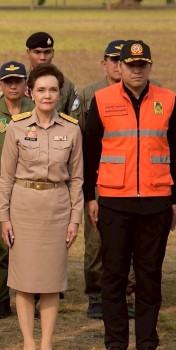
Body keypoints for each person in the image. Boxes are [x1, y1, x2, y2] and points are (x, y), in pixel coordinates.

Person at [83, 40, 176, 350]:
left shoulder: (167, 99)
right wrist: (90, 197)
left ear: (150, 66)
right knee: (113, 276)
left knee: (149, 276)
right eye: (130, 65)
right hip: (114, 201)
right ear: (120, 67)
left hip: (156, 202)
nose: (136, 70)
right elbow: (90, 151)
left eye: (142, 65)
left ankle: (147, 344)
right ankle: (115, 345)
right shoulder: (102, 99)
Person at [0, 64, 83, 350]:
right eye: (42, 90)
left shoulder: (72, 130)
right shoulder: (17, 128)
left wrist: (74, 219)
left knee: (51, 280)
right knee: (24, 280)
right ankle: (29, 344)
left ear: (60, 93)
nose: (48, 95)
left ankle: (47, 343)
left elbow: (77, 179)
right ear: (30, 92)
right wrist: (4, 217)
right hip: (23, 208)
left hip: (57, 209)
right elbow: (6, 177)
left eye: (53, 90)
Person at [72, 41, 136, 320]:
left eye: (123, 60)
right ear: (104, 64)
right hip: (98, 178)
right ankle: (96, 295)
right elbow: (78, 138)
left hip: (132, 180)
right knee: (96, 240)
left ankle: (128, 295)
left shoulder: (144, 92)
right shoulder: (89, 94)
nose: (118, 65)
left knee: (129, 241)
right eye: (113, 60)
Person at [0, 61, 35, 319]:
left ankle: (32, 298)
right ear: (0, 85)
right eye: (8, 81)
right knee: (1, 246)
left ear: (26, 84)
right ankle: (1, 300)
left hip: (28, 186)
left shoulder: (36, 110)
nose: (13, 86)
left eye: (18, 81)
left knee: (30, 247)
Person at [25, 33, 78, 115]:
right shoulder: (17, 84)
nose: (42, 57)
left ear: (53, 53)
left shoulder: (66, 86)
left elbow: (74, 118)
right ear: (28, 53)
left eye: (47, 52)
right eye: (37, 52)